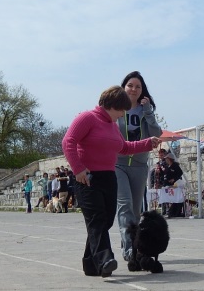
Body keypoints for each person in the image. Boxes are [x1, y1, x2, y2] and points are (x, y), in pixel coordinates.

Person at [61, 85, 160, 278]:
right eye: (122, 110)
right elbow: (68, 142)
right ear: (112, 105)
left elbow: (123, 147)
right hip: (87, 178)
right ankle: (105, 259)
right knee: (96, 219)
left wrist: (148, 143)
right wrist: (78, 169)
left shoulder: (112, 126)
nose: (123, 115)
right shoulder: (87, 118)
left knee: (105, 221)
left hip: (108, 177)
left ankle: (91, 265)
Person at [115, 71, 162, 262]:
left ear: (142, 91)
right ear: (123, 87)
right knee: (124, 206)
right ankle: (129, 251)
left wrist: (149, 112)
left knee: (135, 210)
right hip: (117, 164)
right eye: (130, 85)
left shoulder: (145, 111)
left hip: (139, 165)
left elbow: (156, 133)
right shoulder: (115, 109)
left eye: (138, 86)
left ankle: (134, 244)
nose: (134, 89)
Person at [163, 153, 184, 218]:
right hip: (167, 185)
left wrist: (174, 179)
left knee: (176, 198)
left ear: (169, 159)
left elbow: (180, 173)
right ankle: (170, 211)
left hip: (174, 185)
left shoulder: (175, 165)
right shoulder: (167, 166)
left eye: (166, 159)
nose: (165, 160)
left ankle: (175, 212)